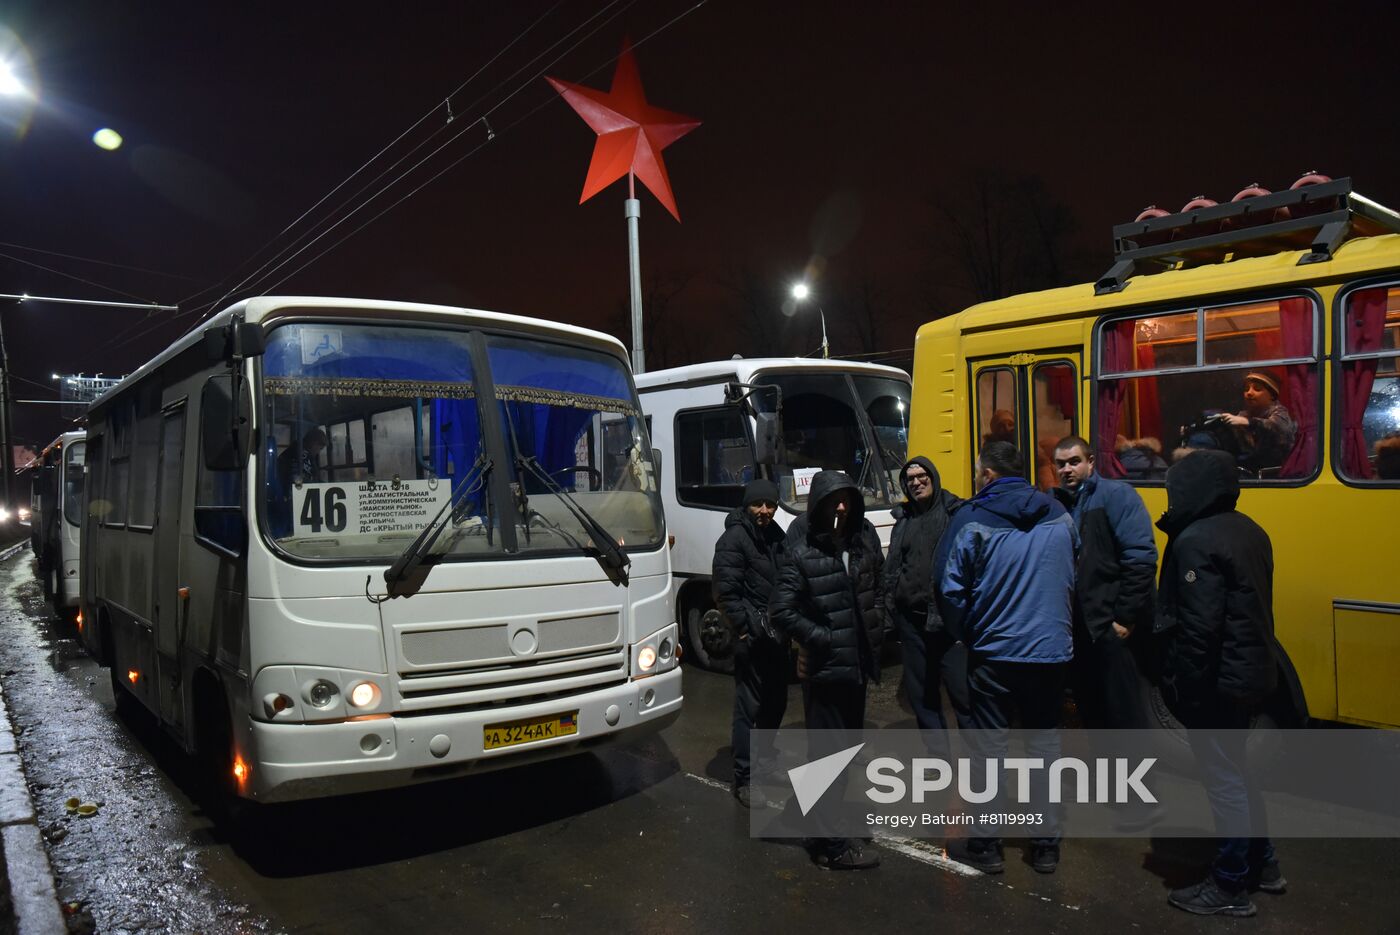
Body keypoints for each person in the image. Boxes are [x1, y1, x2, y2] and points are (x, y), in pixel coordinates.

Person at [933, 441, 1077, 875]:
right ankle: (1046, 847)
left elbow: (949, 589)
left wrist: (968, 634)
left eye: (979, 473)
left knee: (988, 749)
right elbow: (1073, 570)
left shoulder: (971, 518)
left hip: (994, 652)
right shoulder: (1060, 515)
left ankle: (988, 846)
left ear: (989, 475)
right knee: (1044, 747)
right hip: (1050, 652)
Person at [1155, 450, 1284, 917]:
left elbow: (1199, 629)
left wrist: (1186, 690)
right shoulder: (1249, 530)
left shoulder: (1195, 540)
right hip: (1250, 673)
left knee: (1224, 780)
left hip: (1217, 682)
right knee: (1240, 772)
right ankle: (1263, 864)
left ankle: (1229, 886)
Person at [770, 470, 886, 871]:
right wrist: (820, 637)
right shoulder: (802, 555)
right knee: (828, 759)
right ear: (817, 506)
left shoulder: (860, 545)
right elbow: (780, 610)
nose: (841, 507)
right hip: (826, 674)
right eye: (833, 500)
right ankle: (831, 846)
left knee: (838, 756)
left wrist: (876, 626)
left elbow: (878, 588)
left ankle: (807, 821)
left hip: (855, 672)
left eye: (847, 499)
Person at [1051, 436, 1157, 730]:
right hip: (1079, 631)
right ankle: (1105, 774)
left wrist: (1124, 616)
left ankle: (1133, 776)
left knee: (1123, 714)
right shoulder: (1059, 504)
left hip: (1111, 627)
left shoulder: (1116, 495)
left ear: (1090, 463)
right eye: (1061, 464)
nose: (1067, 470)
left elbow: (1140, 558)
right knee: (1092, 709)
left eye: (1074, 462)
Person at [712, 479, 787, 809]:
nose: (765, 511)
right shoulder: (733, 540)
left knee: (776, 703)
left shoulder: (776, 536)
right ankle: (744, 778)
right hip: (753, 640)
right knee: (748, 709)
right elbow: (726, 594)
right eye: (758, 504)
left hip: (777, 637)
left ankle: (765, 761)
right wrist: (747, 629)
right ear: (747, 505)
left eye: (770, 505)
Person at [880, 456, 968, 734]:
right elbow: (893, 567)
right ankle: (937, 760)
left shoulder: (956, 513)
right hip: (912, 624)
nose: (916, 482)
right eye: (910, 479)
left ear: (933, 478)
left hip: (949, 623)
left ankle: (982, 764)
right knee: (922, 696)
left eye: (922, 477)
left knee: (963, 695)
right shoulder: (903, 519)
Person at [1222, 371, 1295, 471]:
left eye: (1257, 389)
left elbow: (1278, 427)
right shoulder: (1244, 414)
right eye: (1246, 389)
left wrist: (1248, 422)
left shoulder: (1279, 411)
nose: (1249, 393)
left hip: (1277, 471)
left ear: (1272, 395)